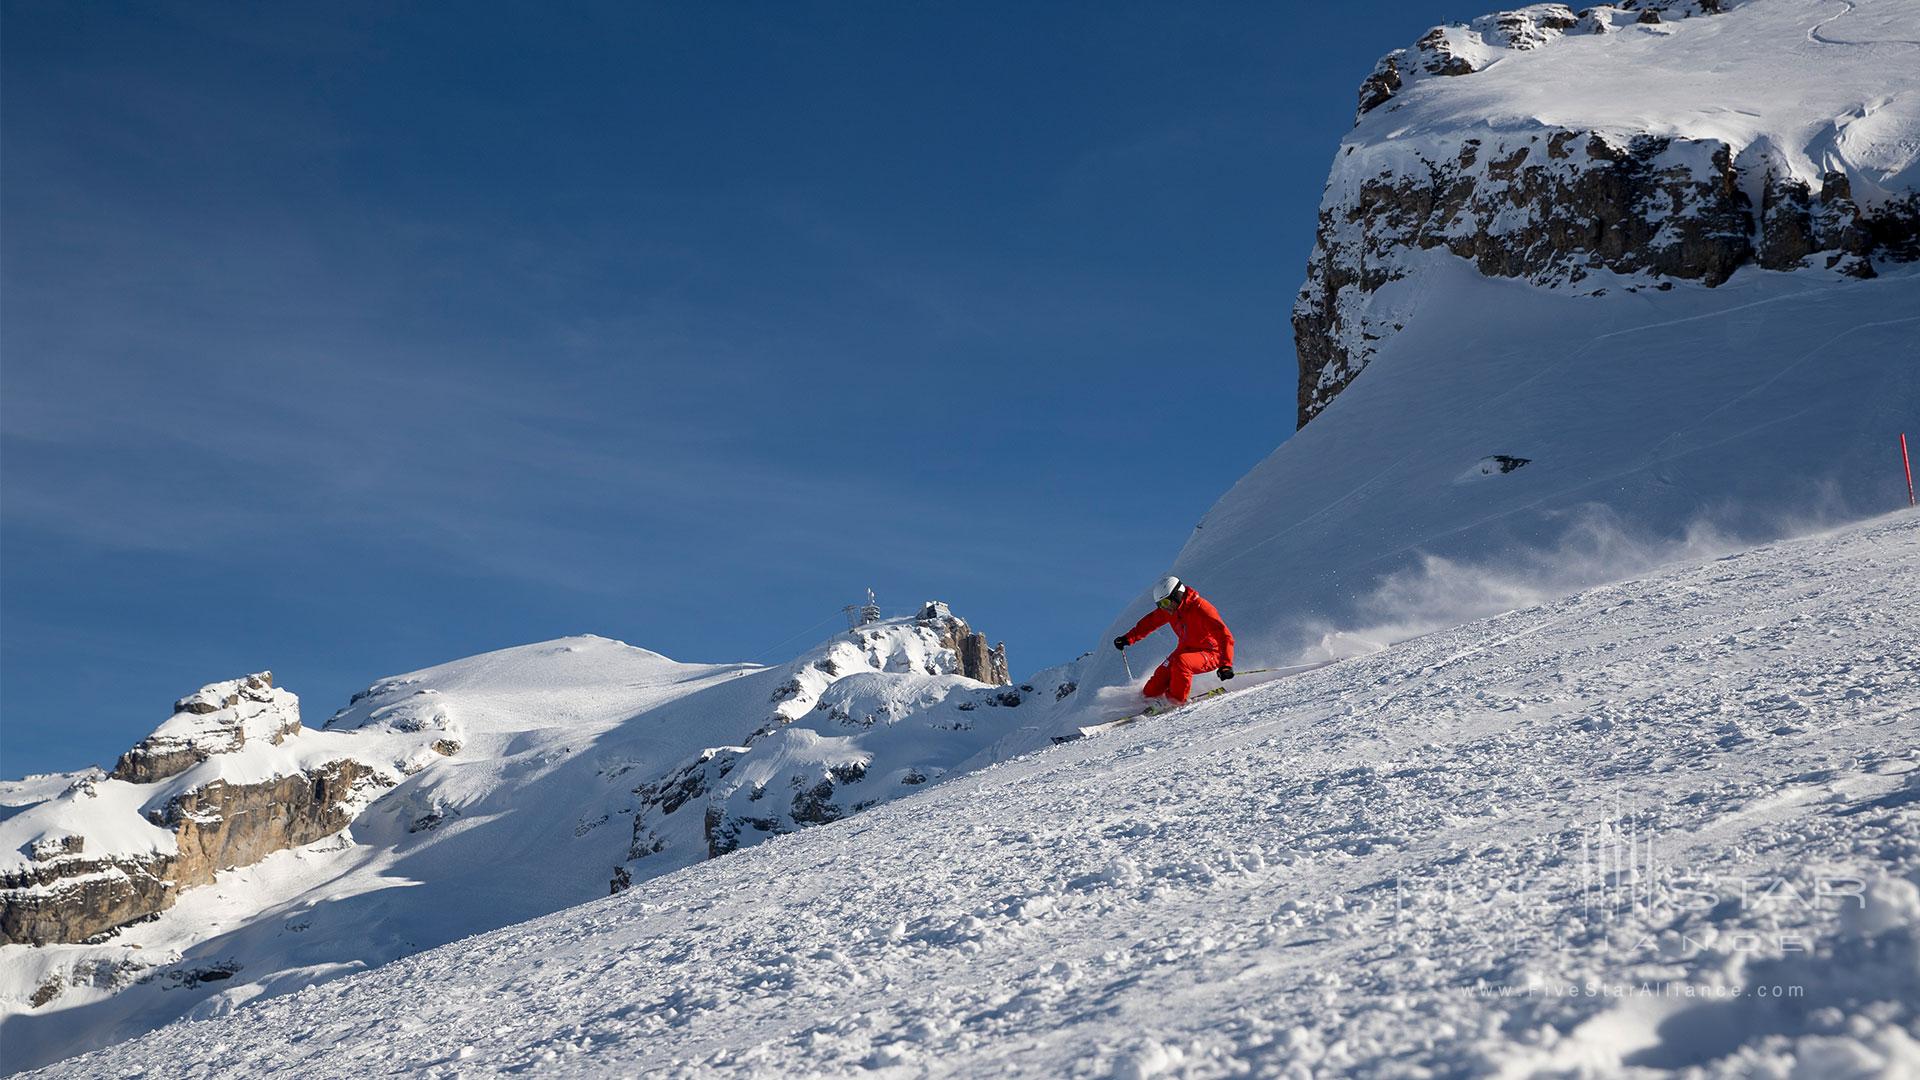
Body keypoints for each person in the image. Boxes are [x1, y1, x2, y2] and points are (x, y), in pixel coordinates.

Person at [1113, 575, 1235, 706]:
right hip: (1185, 649)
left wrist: (1225, 664)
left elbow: (1224, 635)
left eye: (1165, 603)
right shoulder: (1171, 610)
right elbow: (1150, 622)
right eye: (1160, 605)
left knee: (1182, 662)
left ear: (1177, 595)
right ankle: (1147, 703)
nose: (1164, 608)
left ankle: (1175, 701)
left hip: (1211, 653)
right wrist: (1128, 638)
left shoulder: (1201, 608)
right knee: (1153, 687)